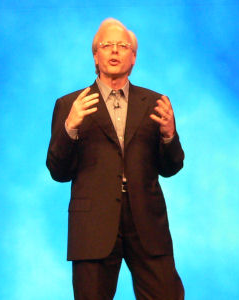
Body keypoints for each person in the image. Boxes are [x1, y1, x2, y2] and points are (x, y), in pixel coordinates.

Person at [46, 18, 185, 300]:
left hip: (146, 219)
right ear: (95, 55)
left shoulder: (156, 103)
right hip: (93, 223)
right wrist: (69, 127)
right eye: (106, 45)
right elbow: (58, 171)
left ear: (133, 57)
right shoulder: (70, 105)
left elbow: (171, 167)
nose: (114, 51)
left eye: (122, 46)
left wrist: (170, 135)